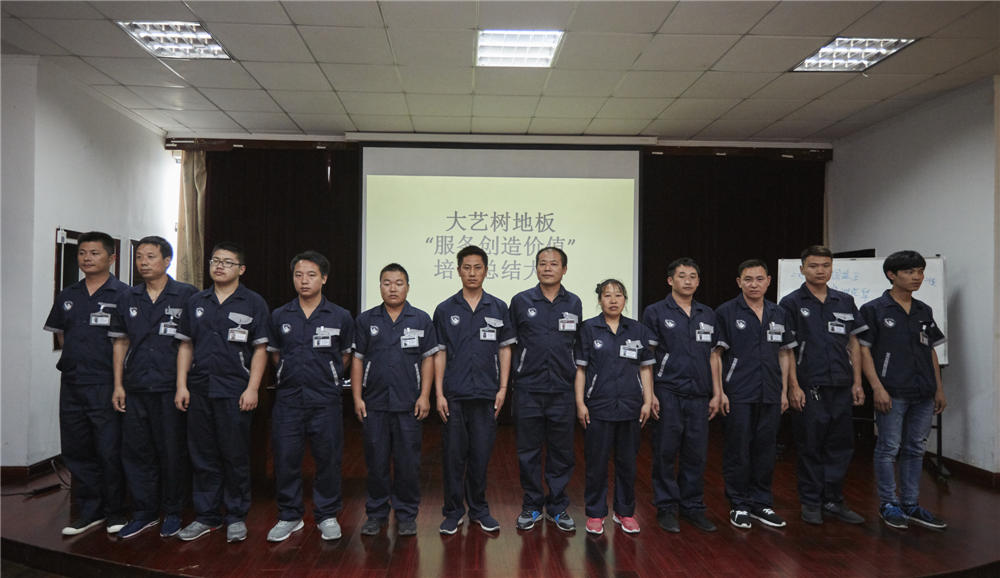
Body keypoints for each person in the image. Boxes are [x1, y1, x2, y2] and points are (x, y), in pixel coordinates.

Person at [174, 242, 271, 543]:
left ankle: (236, 516)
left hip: (234, 390)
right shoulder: (196, 301)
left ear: (241, 269)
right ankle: (207, 516)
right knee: (202, 456)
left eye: (227, 262)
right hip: (199, 389)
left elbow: (260, 349)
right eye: (215, 261)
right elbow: (186, 345)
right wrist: (181, 385)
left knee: (234, 455)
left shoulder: (253, 302)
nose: (219, 266)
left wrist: (253, 388)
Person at [109, 236, 198, 539]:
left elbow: (191, 342)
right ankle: (144, 513)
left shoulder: (186, 294)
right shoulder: (128, 297)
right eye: (139, 257)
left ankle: (173, 511)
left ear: (167, 260)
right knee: (137, 453)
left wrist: (183, 384)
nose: (143, 262)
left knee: (172, 451)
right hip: (135, 386)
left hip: (170, 387)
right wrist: (118, 384)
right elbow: (120, 342)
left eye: (150, 256)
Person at [43, 231, 129, 535]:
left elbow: (128, 340)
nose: (87, 258)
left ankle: (116, 510)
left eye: (94, 253)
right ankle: (90, 511)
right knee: (77, 449)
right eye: (82, 253)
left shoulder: (124, 295)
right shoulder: (68, 294)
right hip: (72, 383)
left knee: (109, 449)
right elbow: (61, 335)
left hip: (106, 383)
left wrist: (118, 382)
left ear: (111, 258)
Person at [267, 251, 353, 542]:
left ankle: (327, 514)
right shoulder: (280, 315)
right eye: (298, 275)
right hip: (288, 400)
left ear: (324, 278)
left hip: (325, 400)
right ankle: (289, 515)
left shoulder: (340, 315)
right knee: (285, 459)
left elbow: (345, 356)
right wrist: (289, 373)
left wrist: (327, 375)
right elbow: (275, 355)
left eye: (311, 275)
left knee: (328, 459)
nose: (304, 280)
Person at [858, 250, 947, 530]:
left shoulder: (923, 310)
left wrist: (938, 389)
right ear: (891, 275)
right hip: (892, 391)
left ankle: (910, 504)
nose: (917, 277)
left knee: (916, 449)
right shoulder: (874, 309)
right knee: (888, 448)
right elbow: (863, 350)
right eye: (909, 272)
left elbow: (930, 350)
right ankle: (888, 504)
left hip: (923, 391)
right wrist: (877, 388)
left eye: (920, 271)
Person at [779, 246, 867, 526]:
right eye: (814, 266)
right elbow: (787, 349)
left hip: (841, 384)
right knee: (810, 445)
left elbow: (853, 342)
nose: (820, 271)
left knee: (840, 445)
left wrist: (857, 382)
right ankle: (811, 501)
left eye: (825, 265)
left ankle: (833, 500)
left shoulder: (845, 300)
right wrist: (793, 386)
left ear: (831, 268)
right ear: (802, 269)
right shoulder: (791, 303)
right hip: (809, 385)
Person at [433, 245, 515, 534]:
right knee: (453, 457)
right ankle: (453, 511)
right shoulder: (445, 309)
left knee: (480, 456)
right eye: (466, 267)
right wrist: (438, 393)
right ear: (458, 271)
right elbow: (439, 352)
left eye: (477, 267)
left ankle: (479, 510)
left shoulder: (498, 307)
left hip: (487, 394)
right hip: (454, 394)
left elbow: (505, 349)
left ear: (486, 270)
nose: (472, 273)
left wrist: (503, 387)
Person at [352, 263, 437, 537]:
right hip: (374, 404)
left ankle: (406, 514)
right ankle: (376, 513)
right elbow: (357, 360)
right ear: (379, 287)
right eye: (387, 283)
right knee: (376, 463)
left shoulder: (421, 319)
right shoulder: (366, 320)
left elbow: (428, 359)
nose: (393, 288)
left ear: (408, 287)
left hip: (409, 404)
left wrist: (425, 396)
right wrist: (357, 397)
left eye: (399, 283)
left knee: (408, 463)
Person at [713, 259, 796, 529]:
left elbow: (784, 353)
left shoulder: (778, 312)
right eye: (748, 279)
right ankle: (738, 503)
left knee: (765, 450)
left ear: (768, 281)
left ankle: (761, 502)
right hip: (738, 391)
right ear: (739, 282)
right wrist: (719, 392)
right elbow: (716, 354)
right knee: (738, 450)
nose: (754, 284)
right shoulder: (726, 311)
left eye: (759, 279)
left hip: (770, 392)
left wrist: (784, 391)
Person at [642, 258, 721, 533]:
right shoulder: (655, 311)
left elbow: (713, 356)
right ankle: (665, 507)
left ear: (698, 281)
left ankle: (692, 507)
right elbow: (648, 356)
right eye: (682, 275)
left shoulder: (707, 313)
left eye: (693, 276)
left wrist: (717, 393)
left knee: (696, 454)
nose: (688, 280)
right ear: (670, 280)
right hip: (668, 391)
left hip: (700, 394)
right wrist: (650, 394)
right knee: (665, 451)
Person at [509, 247, 582, 532]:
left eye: (554, 264)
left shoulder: (574, 302)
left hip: (563, 389)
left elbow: (575, 345)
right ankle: (531, 505)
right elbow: (510, 344)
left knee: (561, 453)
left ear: (564, 269)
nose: (547, 268)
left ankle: (557, 507)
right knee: (527, 452)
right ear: (536, 268)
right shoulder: (520, 301)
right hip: (527, 388)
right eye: (542, 263)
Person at [574, 279, 654, 535]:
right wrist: (580, 403)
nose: (613, 300)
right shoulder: (589, 328)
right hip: (598, 406)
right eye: (607, 295)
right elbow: (581, 369)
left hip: (631, 406)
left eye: (618, 295)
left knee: (627, 464)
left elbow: (645, 368)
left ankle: (625, 512)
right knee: (596, 464)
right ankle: (596, 513)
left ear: (625, 300)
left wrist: (648, 400)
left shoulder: (638, 329)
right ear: (599, 300)